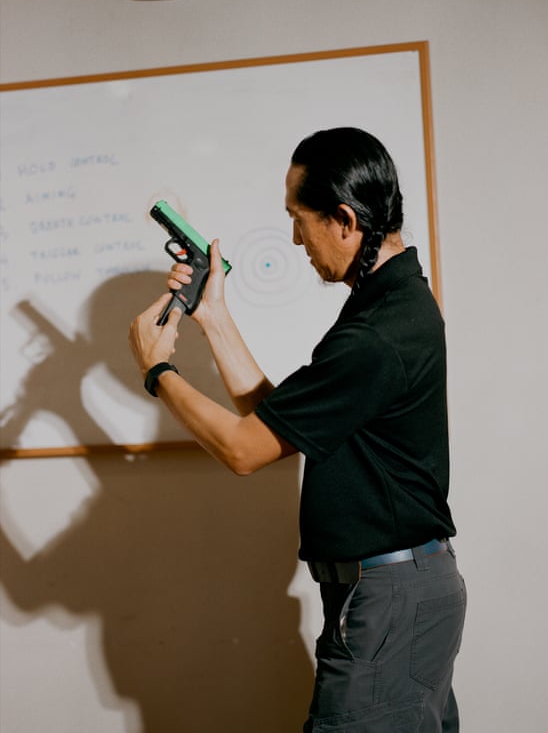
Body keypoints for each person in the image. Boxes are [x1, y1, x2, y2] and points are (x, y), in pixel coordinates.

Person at [129, 127, 466, 732]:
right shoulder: (387, 305)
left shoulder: (378, 334)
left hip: (389, 598)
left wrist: (157, 370)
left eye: (297, 218)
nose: (294, 238)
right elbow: (280, 425)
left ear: (342, 219)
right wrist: (216, 317)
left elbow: (244, 450)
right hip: (398, 593)